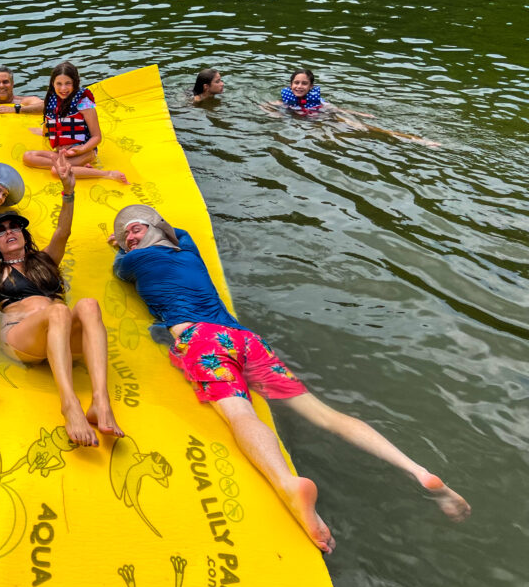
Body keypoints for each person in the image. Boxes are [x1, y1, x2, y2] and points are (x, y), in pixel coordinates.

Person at [109, 203, 470, 554]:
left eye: (135, 229)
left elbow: (119, 271)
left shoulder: (135, 259)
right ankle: (418, 470)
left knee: (240, 415)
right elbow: (180, 233)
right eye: (125, 235)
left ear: (155, 230)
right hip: (245, 340)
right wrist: (148, 228)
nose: (128, 236)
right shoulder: (188, 253)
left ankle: (287, 484)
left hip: (202, 341)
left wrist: (120, 249)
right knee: (326, 414)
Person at [0, 154, 123, 447]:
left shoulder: (45, 260)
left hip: (62, 338)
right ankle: (69, 405)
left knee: (89, 304)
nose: (9, 232)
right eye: (0, 230)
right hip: (23, 339)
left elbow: (63, 231)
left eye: (14, 227)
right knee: (58, 311)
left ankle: (101, 402)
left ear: (23, 233)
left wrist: (68, 191)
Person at [267, 69, 438, 145]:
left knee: (363, 127)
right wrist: (275, 114)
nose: (299, 86)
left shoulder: (319, 102)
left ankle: (419, 140)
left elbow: (337, 109)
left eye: (304, 83)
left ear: (311, 87)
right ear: (290, 85)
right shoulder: (284, 102)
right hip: (318, 123)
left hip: (327, 117)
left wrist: (359, 113)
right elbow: (265, 106)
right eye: (296, 83)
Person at [22, 62, 127, 183]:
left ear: (75, 83)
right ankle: (75, 167)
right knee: (27, 157)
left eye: (68, 83)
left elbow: (97, 137)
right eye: (59, 84)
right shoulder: (51, 101)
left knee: (57, 171)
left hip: (83, 152)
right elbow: (50, 122)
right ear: (53, 84)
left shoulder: (84, 103)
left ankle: (108, 174)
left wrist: (82, 149)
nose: (63, 89)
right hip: (61, 153)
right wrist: (44, 132)